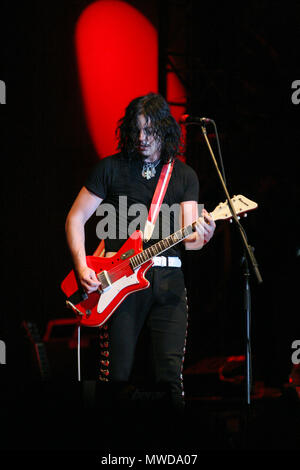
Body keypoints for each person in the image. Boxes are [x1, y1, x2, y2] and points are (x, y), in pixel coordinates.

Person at [65, 92, 215, 413]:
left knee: (170, 377)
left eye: (151, 130)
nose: (143, 138)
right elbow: (75, 217)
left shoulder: (184, 175)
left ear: (166, 130)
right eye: (138, 130)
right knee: (116, 374)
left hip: (170, 281)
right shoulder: (111, 169)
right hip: (120, 282)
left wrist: (205, 233)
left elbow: (192, 241)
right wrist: (81, 265)